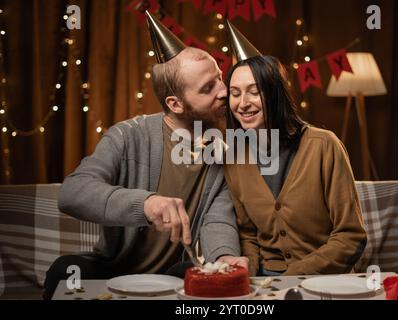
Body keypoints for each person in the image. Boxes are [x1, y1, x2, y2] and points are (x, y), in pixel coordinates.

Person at [43, 13, 247, 300]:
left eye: (219, 79)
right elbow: (72, 193)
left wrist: (224, 256)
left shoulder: (224, 147)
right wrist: (147, 204)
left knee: (197, 276)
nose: (225, 92)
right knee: (65, 269)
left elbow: (218, 216)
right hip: (112, 267)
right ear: (175, 104)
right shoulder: (127, 135)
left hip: (172, 271)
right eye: (207, 88)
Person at [223, 21, 367, 277]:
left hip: (325, 279)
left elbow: (350, 236)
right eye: (234, 93)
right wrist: (248, 282)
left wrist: (293, 278)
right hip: (264, 281)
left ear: (276, 95)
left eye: (254, 92)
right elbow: (248, 235)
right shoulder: (233, 157)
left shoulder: (324, 146)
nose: (242, 103)